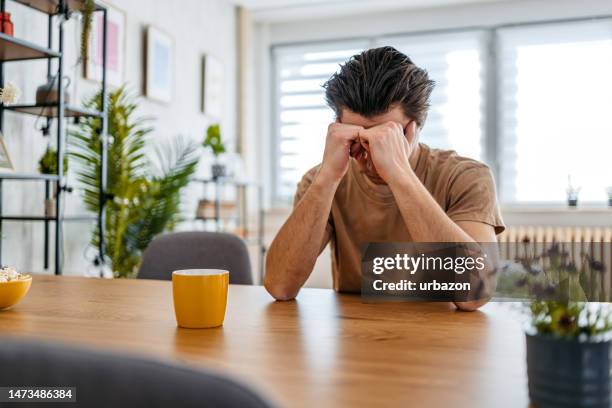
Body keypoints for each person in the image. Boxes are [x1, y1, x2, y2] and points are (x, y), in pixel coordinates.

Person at [264, 46, 505, 310]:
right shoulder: (319, 182)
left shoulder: (466, 177)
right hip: (359, 337)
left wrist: (398, 174)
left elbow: (476, 293)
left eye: (384, 137)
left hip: (444, 341)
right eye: (358, 138)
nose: (370, 155)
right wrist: (327, 179)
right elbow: (280, 286)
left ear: (414, 128)